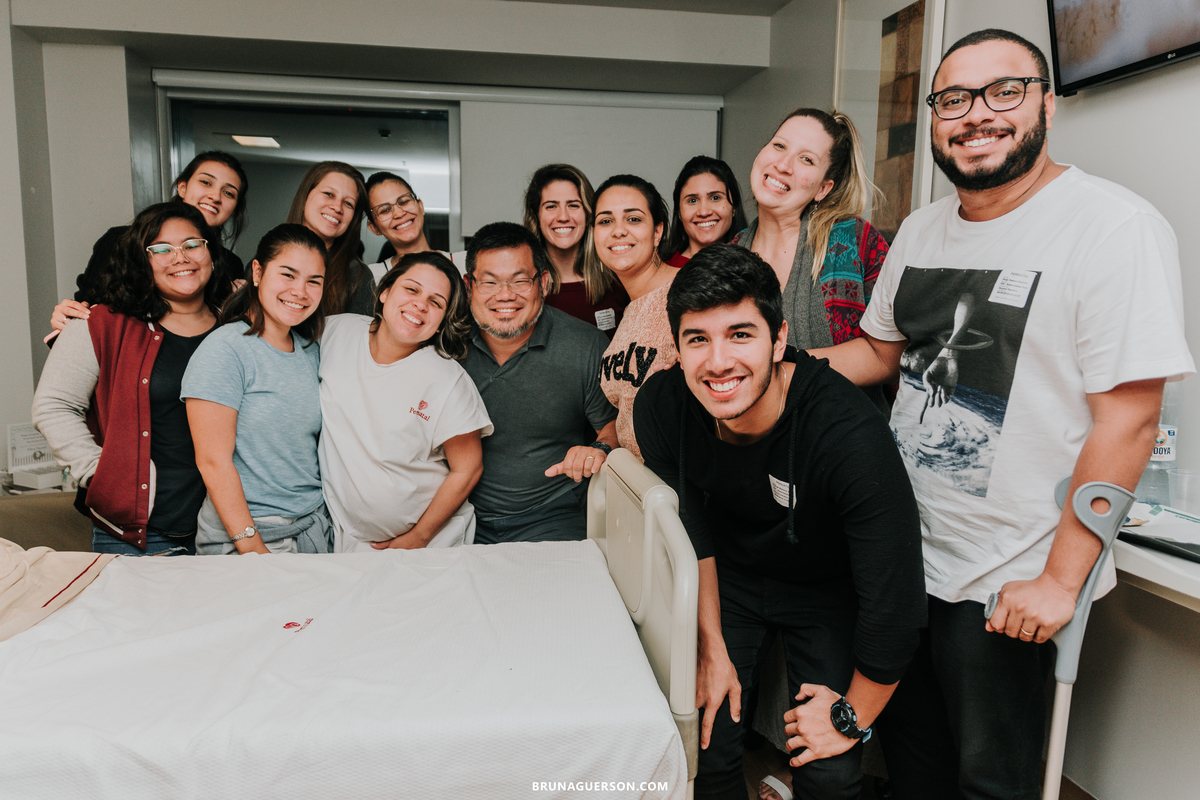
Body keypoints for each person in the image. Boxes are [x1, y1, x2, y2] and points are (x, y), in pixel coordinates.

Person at [809, 29, 1195, 800]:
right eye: (952, 99)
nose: (975, 115)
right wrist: (766, 368)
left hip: (1005, 580)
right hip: (901, 559)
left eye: (1002, 92)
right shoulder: (921, 230)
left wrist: (1057, 581)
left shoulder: (1113, 228)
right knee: (912, 764)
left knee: (993, 783)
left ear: (1047, 106)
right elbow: (879, 356)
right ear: (934, 117)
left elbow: (1129, 420)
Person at [633, 245, 926, 800]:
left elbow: (897, 605)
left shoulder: (844, 432)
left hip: (828, 587)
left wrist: (849, 719)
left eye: (740, 334)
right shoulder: (662, 406)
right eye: (698, 339)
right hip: (731, 575)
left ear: (779, 337)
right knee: (706, 741)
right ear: (677, 348)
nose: (719, 362)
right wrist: (711, 646)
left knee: (830, 772)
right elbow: (692, 529)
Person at [32, 202, 230, 556]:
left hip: (224, 529)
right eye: (162, 249)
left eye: (191, 245)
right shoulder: (103, 323)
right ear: (143, 260)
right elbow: (53, 406)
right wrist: (102, 476)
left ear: (211, 253)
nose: (179, 257)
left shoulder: (237, 329)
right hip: (138, 534)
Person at [319, 251, 492, 552]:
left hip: (431, 545)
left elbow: (468, 469)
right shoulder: (334, 332)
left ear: (441, 323)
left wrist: (418, 538)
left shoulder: (448, 381)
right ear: (385, 292)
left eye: (436, 302)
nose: (420, 304)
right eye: (411, 289)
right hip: (345, 542)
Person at [460, 221, 618, 544]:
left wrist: (598, 449)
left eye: (520, 281)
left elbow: (616, 425)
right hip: (461, 516)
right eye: (489, 282)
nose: (505, 296)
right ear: (468, 286)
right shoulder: (447, 346)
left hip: (553, 513)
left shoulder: (584, 344)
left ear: (543, 283)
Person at [182, 223, 333, 555]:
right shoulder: (225, 349)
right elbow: (213, 462)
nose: (300, 291)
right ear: (257, 272)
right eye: (288, 275)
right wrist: (253, 549)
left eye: (313, 281)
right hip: (247, 538)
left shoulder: (311, 349)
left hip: (311, 530)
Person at [735, 109, 890, 413]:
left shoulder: (855, 242)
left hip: (841, 441)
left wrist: (777, 370)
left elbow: (885, 357)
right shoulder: (730, 254)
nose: (783, 165)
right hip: (753, 445)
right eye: (779, 146)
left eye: (806, 159)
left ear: (823, 188)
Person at [49, 151, 249, 336]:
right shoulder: (121, 240)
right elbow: (86, 306)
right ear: (182, 187)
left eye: (229, 193)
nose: (215, 196)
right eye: (206, 182)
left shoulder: (230, 264)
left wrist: (244, 303)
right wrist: (68, 317)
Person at [594, 174, 680, 460]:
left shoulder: (689, 291)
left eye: (633, 219)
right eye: (606, 221)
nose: (618, 231)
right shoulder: (628, 311)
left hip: (686, 484)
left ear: (657, 232)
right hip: (639, 484)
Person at [521, 163, 628, 336]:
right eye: (551, 206)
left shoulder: (618, 280)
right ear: (536, 216)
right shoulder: (522, 287)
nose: (563, 217)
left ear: (588, 214)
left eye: (573, 205)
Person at [286, 160, 375, 316]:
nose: (337, 207)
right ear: (306, 195)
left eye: (348, 203)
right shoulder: (269, 255)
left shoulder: (357, 276)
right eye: (329, 194)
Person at [363, 171, 457, 283]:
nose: (399, 213)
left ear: (421, 207)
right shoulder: (371, 277)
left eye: (404, 202)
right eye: (385, 210)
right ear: (374, 228)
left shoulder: (465, 262)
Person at [661, 155, 747, 267]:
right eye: (692, 200)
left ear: (734, 207)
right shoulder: (663, 271)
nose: (704, 212)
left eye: (715, 198)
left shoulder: (756, 266)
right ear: (679, 213)